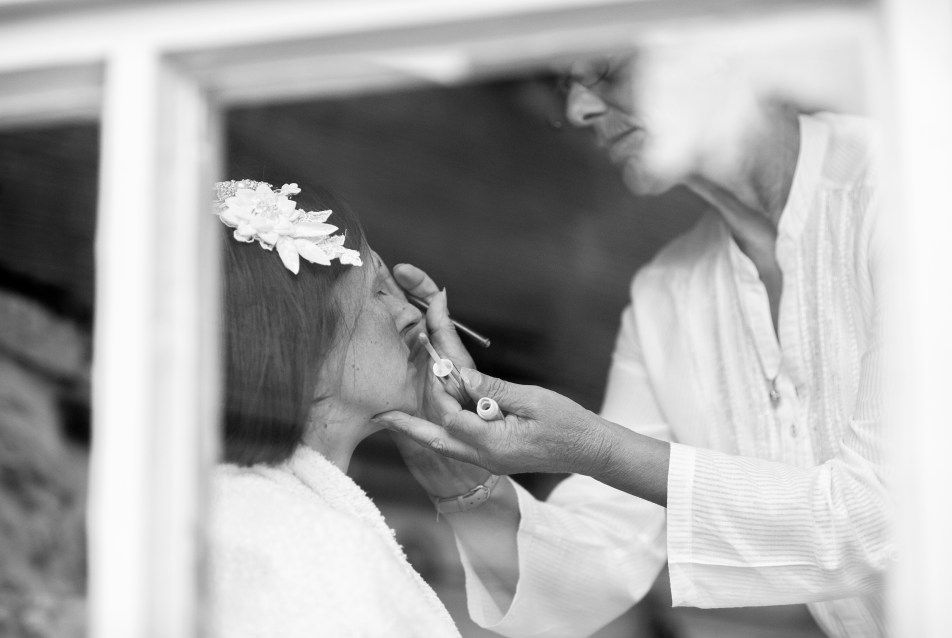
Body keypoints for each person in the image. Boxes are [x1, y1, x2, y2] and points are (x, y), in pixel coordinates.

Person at [379, 49, 890, 638]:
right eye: (565, 84)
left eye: (605, 67)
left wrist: (595, 447)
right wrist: (448, 444)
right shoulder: (666, 294)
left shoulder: (913, 189)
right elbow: (597, 566)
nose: (578, 109)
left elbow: (886, 521)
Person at [206, 180, 461, 637]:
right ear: (303, 343)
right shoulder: (309, 548)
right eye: (379, 293)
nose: (410, 313)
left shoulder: (230, 513)